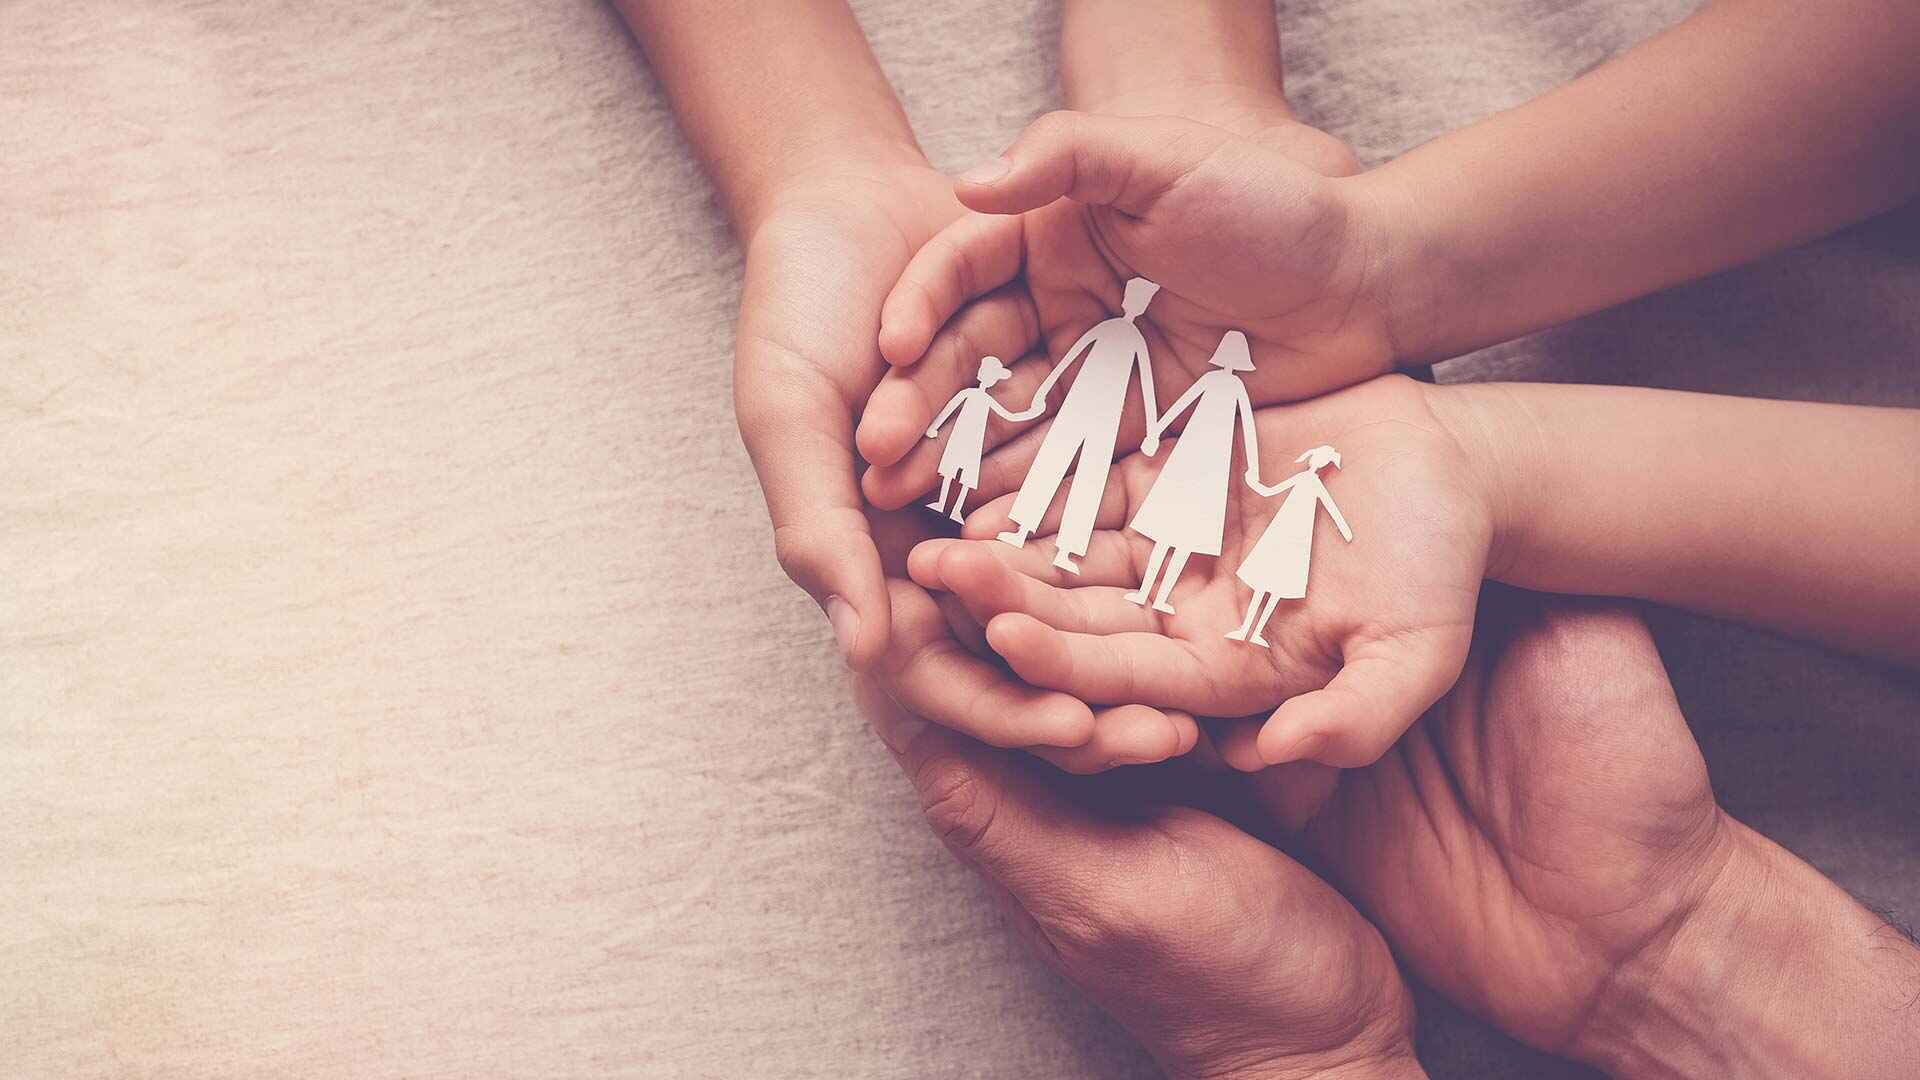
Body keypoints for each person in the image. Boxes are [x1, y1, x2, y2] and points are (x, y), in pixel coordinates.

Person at [997, 277, 1161, 574]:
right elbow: (1069, 359)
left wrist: (1152, 429)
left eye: (1142, 302)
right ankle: (1021, 529)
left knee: (1091, 479)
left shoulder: (1136, 339)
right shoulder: (1106, 328)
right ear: (1125, 300)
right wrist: (1043, 391)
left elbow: (1147, 383)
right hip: (1077, 405)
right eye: (1134, 299)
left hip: (1107, 416)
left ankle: (1068, 549)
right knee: (1051, 463)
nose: (1136, 306)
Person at [1122, 330, 1259, 613]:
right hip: (1191, 454)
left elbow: (1247, 425)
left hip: (1214, 463)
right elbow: (1182, 404)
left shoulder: (1235, 387)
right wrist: (1156, 431)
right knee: (1167, 530)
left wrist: (1253, 468)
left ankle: (1160, 597)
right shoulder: (1212, 380)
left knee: (1186, 534)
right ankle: (1146, 591)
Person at [1228, 443, 1352, 646]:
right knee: (1263, 583)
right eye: (1314, 458)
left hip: (1297, 536)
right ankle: (1245, 629)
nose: (1314, 462)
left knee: (1276, 586)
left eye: (1318, 459)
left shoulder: (1315, 484)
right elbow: (1271, 491)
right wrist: (1254, 483)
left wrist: (1344, 529)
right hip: (1281, 530)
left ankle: (1256, 632)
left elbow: (1330, 506)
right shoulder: (1302, 478)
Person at [923, 355, 1034, 522]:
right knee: (950, 471)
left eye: (994, 377)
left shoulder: (986, 399)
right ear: (982, 374)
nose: (992, 380)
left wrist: (1030, 413)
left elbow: (1009, 415)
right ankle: (941, 502)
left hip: (974, 441)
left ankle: (957, 510)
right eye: (991, 375)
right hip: (960, 436)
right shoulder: (968, 394)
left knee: (967, 476)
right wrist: (934, 427)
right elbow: (949, 408)